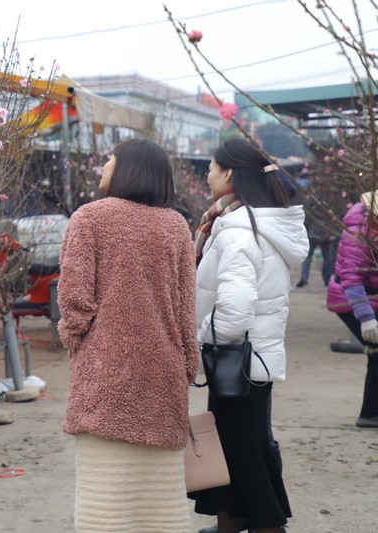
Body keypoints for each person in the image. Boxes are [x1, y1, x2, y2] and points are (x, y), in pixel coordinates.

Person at [58, 138, 198, 532]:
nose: (104, 165)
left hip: (106, 373)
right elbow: (187, 308)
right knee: (161, 505)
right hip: (163, 375)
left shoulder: (89, 218)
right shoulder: (175, 225)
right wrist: (187, 363)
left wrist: (75, 341)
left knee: (105, 501)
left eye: (110, 159)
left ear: (127, 168)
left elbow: (75, 299)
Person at [192, 138, 308, 533]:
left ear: (228, 174)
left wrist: (201, 335)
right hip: (251, 360)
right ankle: (232, 521)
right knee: (240, 447)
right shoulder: (253, 223)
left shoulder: (238, 230)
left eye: (210, 167)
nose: (206, 175)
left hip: (236, 359)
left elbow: (235, 311)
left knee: (243, 453)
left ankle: (266, 525)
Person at [326, 190, 378, 428]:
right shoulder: (360, 229)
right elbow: (351, 278)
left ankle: (370, 413)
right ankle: (370, 415)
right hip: (350, 299)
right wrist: (367, 319)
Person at [297, 196, 338, 287]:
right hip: (324, 233)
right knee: (326, 258)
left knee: (307, 257)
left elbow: (306, 218)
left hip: (312, 233)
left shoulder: (310, 199)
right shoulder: (330, 200)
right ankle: (327, 279)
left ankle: (304, 278)